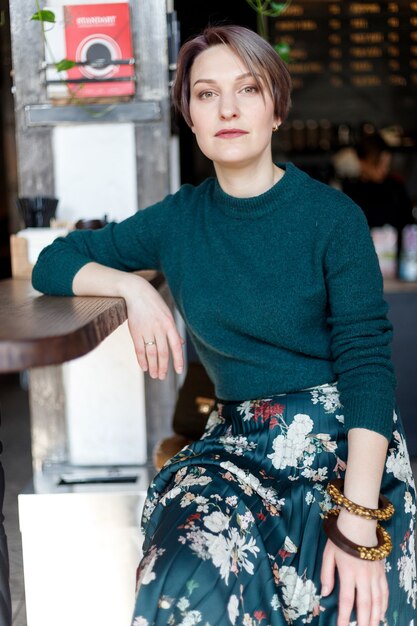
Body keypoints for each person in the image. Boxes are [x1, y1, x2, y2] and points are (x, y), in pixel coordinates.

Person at [31, 25, 417, 626]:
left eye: (248, 89)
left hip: (347, 457)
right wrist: (133, 285)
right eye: (207, 94)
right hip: (236, 455)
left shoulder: (333, 218)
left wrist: (359, 516)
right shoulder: (177, 221)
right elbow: (52, 261)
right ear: (190, 115)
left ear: (276, 108)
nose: (228, 108)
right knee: (184, 580)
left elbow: (367, 366)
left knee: (354, 602)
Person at [342, 133, 415, 264]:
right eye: (378, 163)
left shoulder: (396, 186)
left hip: (395, 261)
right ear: (361, 161)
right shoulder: (350, 190)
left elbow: (408, 226)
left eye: (387, 164)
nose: (384, 169)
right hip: (364, 262)